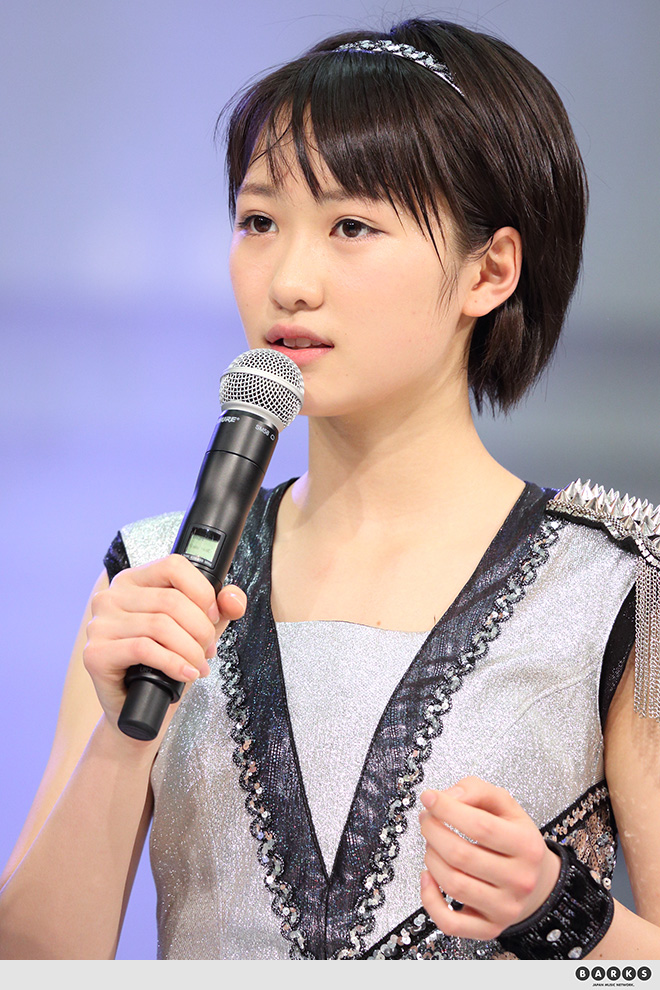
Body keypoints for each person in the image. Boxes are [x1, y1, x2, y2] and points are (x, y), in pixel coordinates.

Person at [1, 17, 659, 962]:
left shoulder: (618, 587)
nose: (289, 281)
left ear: (490, 270)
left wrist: (566, 913)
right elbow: (30, 966)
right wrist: (122, 737)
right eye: (259, 222)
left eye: (352, 227)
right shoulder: (153, 575)